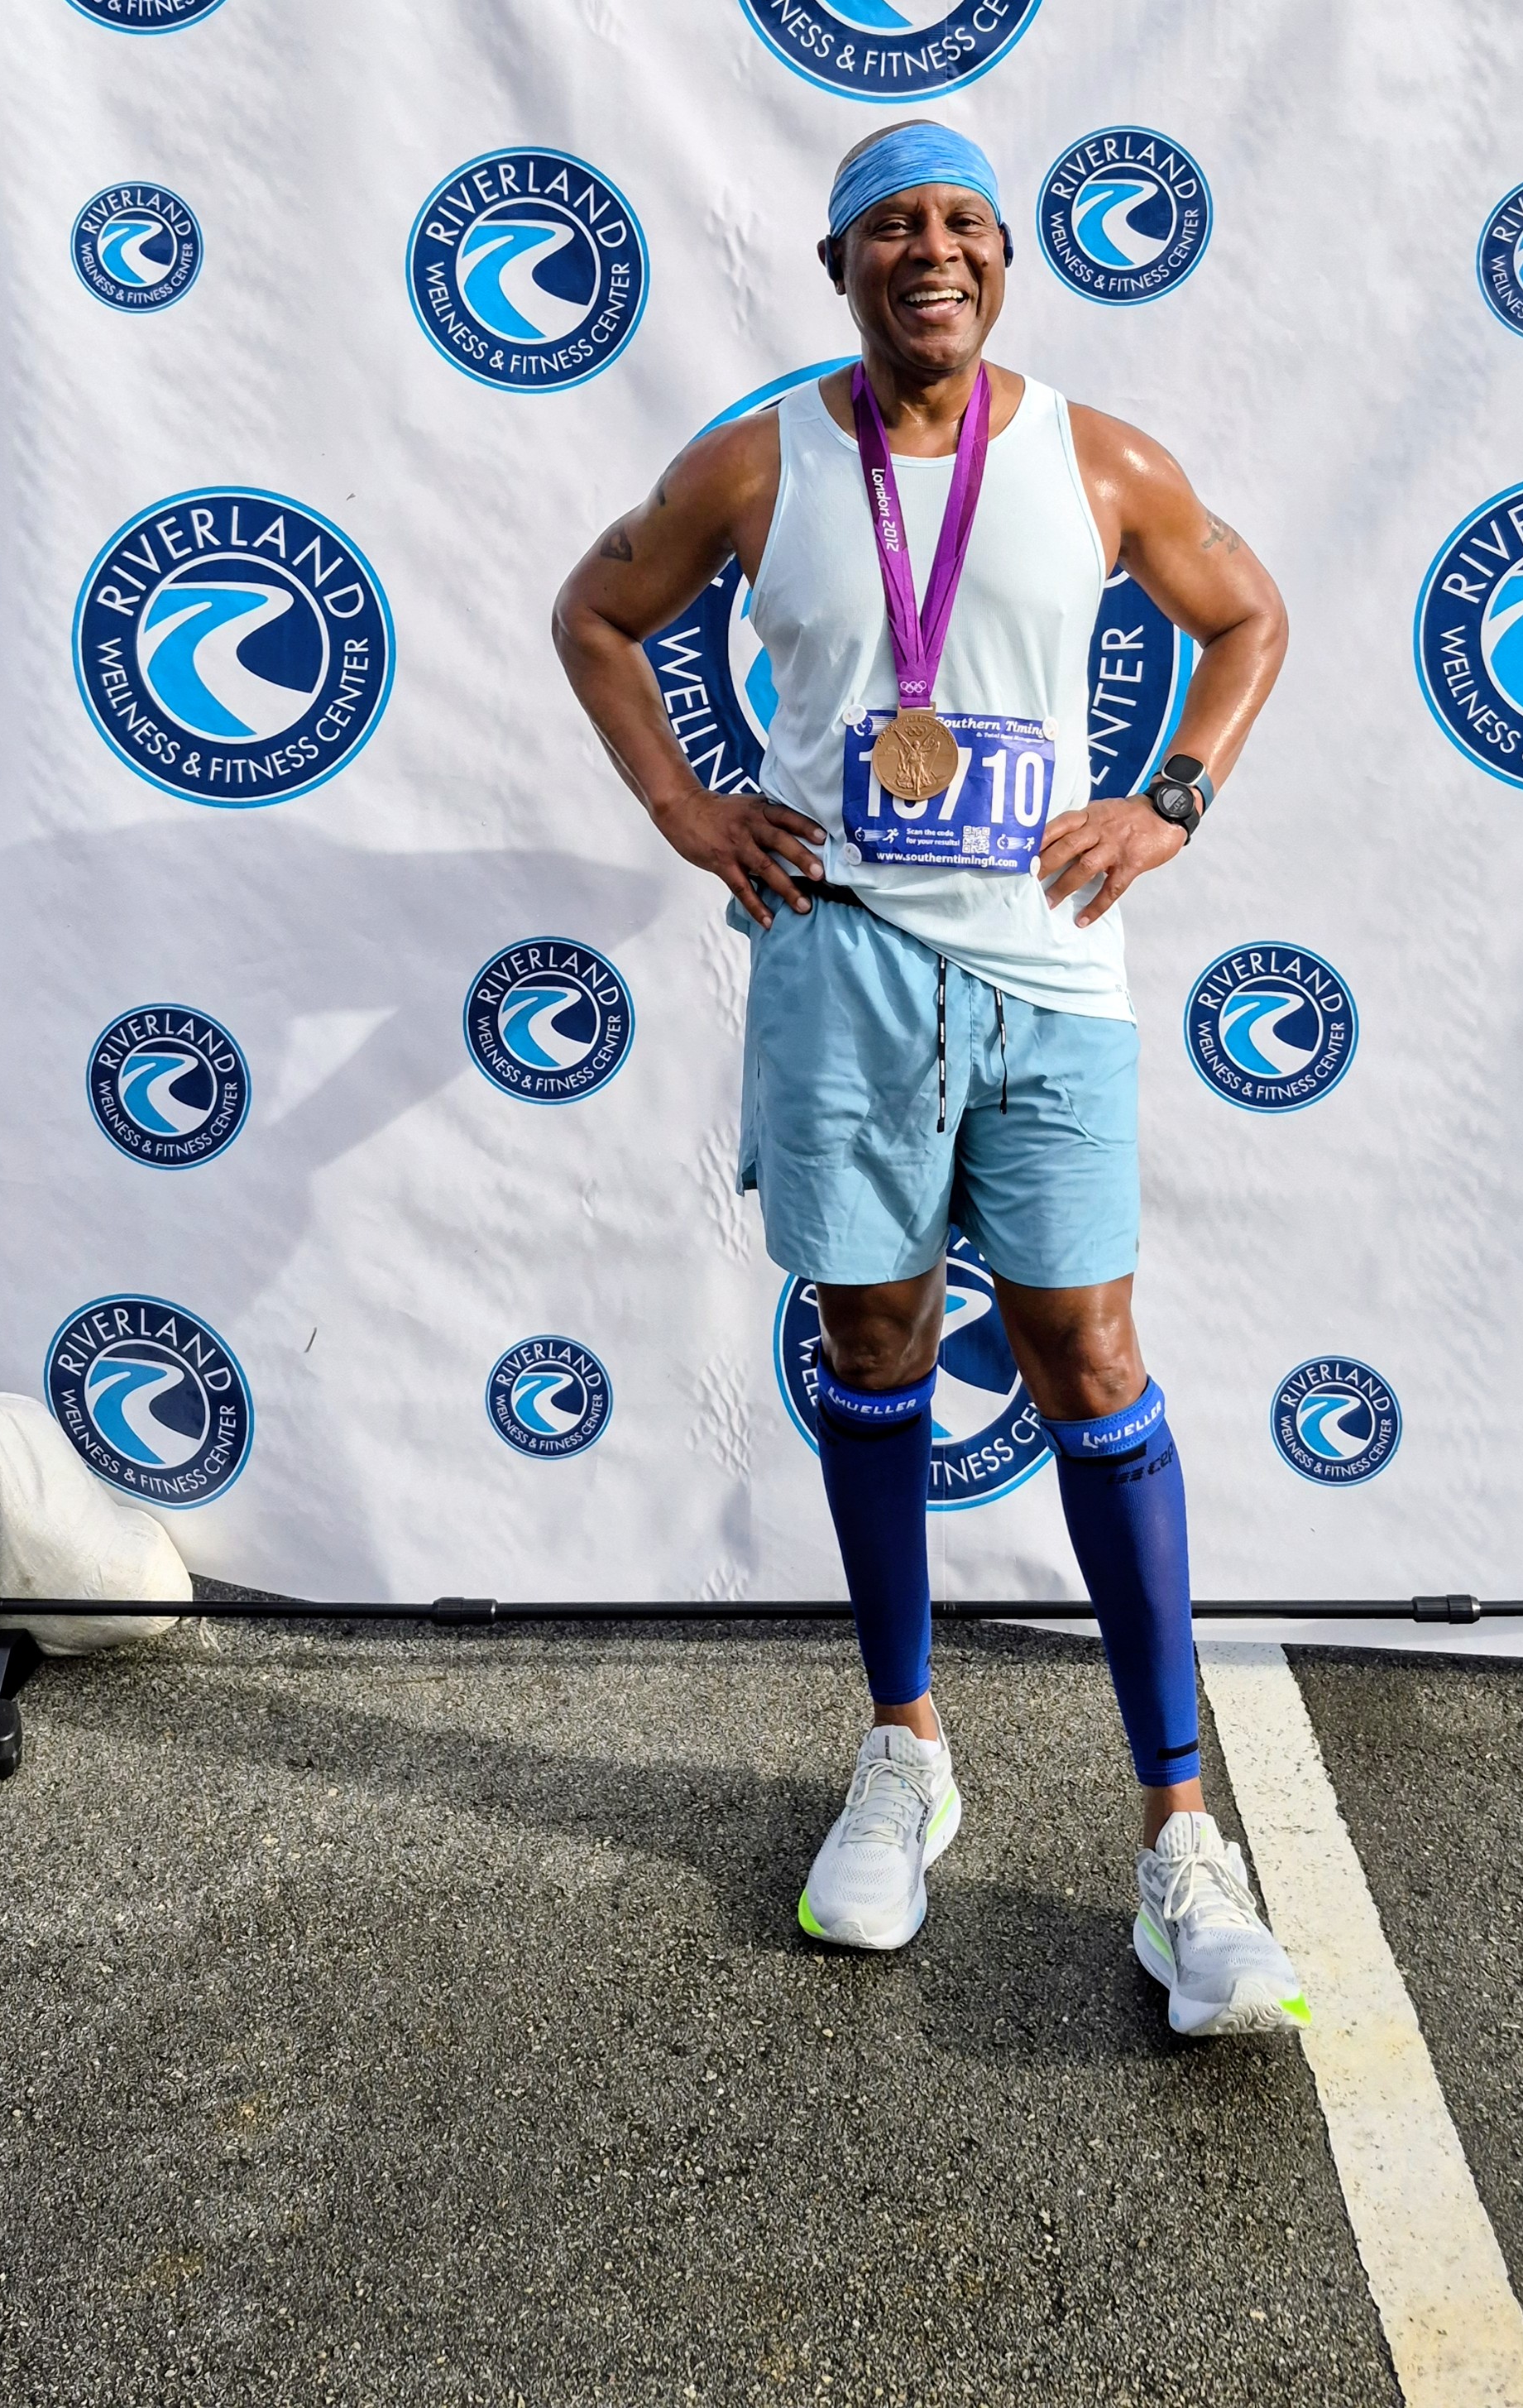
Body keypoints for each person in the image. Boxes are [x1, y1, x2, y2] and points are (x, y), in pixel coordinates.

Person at [553, 118, 1307, 2040]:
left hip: (1049, 980)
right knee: (875, 1339)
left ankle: (1179, 1836)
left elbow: (1249, 616)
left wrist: (1171, 800)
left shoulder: (1096, 460)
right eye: (895, 223)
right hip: (842, 974)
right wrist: (687, 808)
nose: (934, 249)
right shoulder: (756, 462)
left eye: (967, 220)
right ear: (840, 263)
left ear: (1005, 260)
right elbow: (596, 613)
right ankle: (903, 1749)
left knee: (1092, 1359)